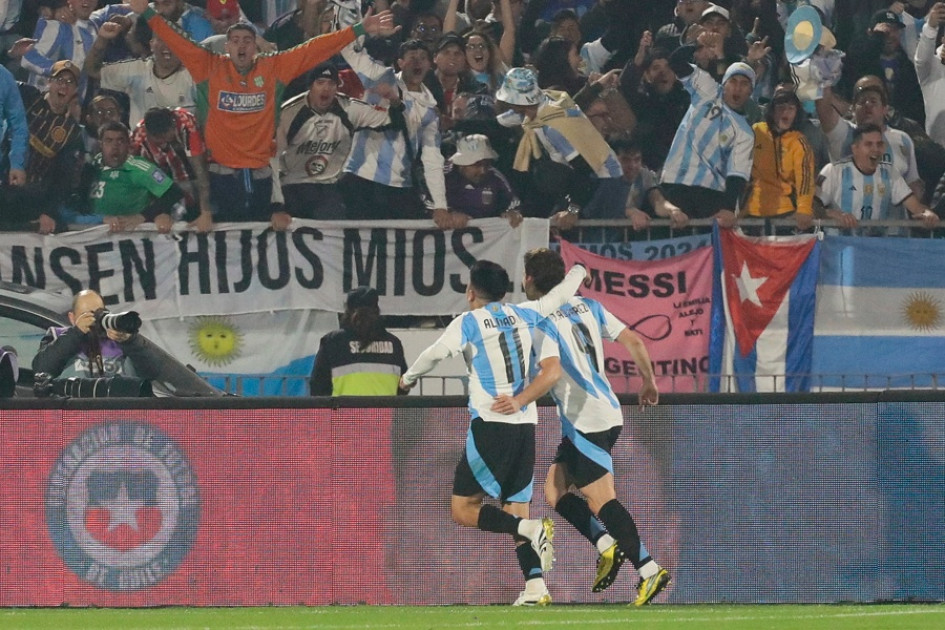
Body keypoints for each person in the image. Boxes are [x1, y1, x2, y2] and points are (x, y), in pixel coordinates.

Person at [399, 259, 589, 606]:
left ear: (471, 291)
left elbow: (435, 353)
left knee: (463, 508)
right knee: (516, 505)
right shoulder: (524, 313)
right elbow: (561, 295)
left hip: (491, 423)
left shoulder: (468, 322)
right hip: (525, 423)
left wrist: (407, 379)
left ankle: (531, 531)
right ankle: (535, 587)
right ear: (504, 291)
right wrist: (578, 270)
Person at [129, 0, 398, 222]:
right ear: (227, 46)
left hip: (261, 174)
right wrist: (148, 13)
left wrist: (359, 29)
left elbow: (315, 49)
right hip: (221, 174)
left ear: (256, 45)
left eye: (248, 40)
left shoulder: (273, 68)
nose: (242, 46)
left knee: (261, 241)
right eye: (235, 41)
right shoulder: (208, 66)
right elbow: (176, 39)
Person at [511, 247, 669, 606]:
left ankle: (648, 569)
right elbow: (634, 340)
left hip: (587, 420)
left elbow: (549, 371)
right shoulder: (589, 306)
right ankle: (605, 544)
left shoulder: (540, 320)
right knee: (554, 492)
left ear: (530, 280)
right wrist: (649, 382)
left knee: (602, 501)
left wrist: (521, 398)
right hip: (602, 413)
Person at [271, 61, 398, 224]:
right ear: (310, 86)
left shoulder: (349, 108)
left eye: (331, 84)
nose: (326, 89)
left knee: (333, 231)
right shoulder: (289, 113)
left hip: (328, 186)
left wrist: (393, 100)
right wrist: (277, 205)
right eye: (320, 83)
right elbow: (273, 158)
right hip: (292, 186)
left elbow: (392, 121)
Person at [494, 66, 621, 225]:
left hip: (589, 187)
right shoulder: (536, 110)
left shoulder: (554, 130)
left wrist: (572, 211)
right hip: (560, 189)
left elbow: (584, 170)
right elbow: (493, 124)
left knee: (548, 174)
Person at [658, 45, 756, 229]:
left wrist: (728, 208)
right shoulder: (708, 88)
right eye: (733, 81)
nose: (738, 88)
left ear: (751, 92)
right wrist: (696, 44)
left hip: (708, 195)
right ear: (724, 83)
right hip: (674, 183)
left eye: (744, 84)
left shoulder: (745, 133)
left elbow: (737, 174)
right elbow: (675, 62)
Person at [3, 60, 85, 234]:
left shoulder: (72, 132)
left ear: (76, 90)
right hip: (3, 184)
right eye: (59, 80)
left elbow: (63, 178)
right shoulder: (27, 95)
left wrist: (48, 211)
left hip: (33, 197)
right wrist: (11, 57)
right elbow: (5, 84)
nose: (64, 86)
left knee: (58, 227)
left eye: (70, 82)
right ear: (49, 82)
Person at [814, 123, 939, 230]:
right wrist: (832, 214)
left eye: (879, 144)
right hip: (839, 248)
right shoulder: (833, 171)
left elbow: (916, 207)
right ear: (855, 148)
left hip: (874, 248)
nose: (875, 149)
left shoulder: (890, 173)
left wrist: (928, 214)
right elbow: (812, 207)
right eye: (869, 144)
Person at [85, 19, 196, 127]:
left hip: (184, 143)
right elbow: (92, 70)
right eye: (162, 39)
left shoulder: (195, 78)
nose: (167, 46)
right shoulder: (136, 70)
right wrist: (102, 39)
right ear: (151, 44)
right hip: (140, 143)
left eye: (173, 40)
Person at [86, 120, 186, 233]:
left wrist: (144, 216)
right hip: (92, 235)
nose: (115, 146)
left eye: (120, 141)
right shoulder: (91, 167)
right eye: (109, 141)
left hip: (131, 236)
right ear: (101, 144)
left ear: (128, 144)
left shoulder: (139, 168)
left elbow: (174, 192)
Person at [309, 286, 408, 396]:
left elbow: (318, 386)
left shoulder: (333, 342)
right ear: (377, 310)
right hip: (383, 413)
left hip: (343, 412)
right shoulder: (394, 344)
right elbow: (404, 387)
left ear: (348, 311)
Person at [131, 106, 213, 232]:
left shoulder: (186, 123)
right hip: (165, 186)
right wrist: (159, 212)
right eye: (158, 139)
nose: (163, 142)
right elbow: (143, 183)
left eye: (166, 136)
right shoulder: (137, 140)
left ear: (173, 125)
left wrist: (206, 213)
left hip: (195, 179)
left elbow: (201, 171)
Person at [744, 87, 816, 231]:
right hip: (752, 211)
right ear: (771, 111)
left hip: (785, 214)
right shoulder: (756, 131)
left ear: (797, 113)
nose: (785, 112)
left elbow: (805, 179)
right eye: (781, 107)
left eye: (791, 108)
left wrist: (804, 209)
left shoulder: (799, 142)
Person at [33, 289, 148, 379]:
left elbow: (153, 373)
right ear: (72, 318)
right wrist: (76, 333)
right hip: (74, 407)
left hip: (117, 407)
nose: (94, 319)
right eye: (86, 314)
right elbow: (41, 369)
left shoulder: (119, 337)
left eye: (99, 312)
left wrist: (132, 341)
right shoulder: (57, 335)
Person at [444, 133, 522, 228]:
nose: (483, 171)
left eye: (487, 164)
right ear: (461, 164)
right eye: (476, 165)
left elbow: (512, 201)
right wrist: (448, 213)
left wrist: (512, 212)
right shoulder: (443, 176)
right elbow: (427, 201)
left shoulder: (495, 176)